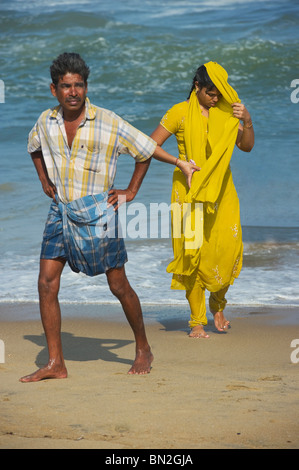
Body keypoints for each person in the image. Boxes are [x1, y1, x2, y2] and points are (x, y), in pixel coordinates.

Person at [20, 52, 199, 382]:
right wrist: (44, 181)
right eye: (65, 86)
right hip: (60, 211)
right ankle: (56, 363)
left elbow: (144, 150)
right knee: (46, 282)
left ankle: (143, 347)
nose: (72, 92)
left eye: (78, 85)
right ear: (53, 89)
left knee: (118, 285)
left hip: (99, 213)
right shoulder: (45, 122)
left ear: (86, 87)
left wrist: (130, 192)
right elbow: (33, 147)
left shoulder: (108, 121)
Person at [150, 61, 254, 338]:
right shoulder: (180, 112)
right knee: (192, 253)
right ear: (197, 86)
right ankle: (196, 321)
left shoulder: (225, 115)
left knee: (227, 247)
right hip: (188, 190)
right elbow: (149, 146)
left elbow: (246, 146)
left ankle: (218, 305)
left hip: (222, 191)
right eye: (210, 92)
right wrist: (179, 162)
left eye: (219, 92)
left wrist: (247, 120)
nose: (215, 97)